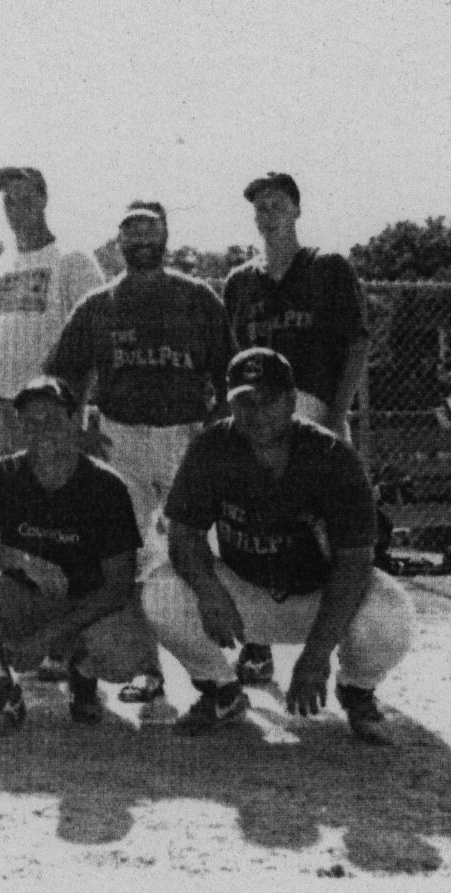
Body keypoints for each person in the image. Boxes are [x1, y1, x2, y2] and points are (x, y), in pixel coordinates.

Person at [141, 348, 413, 743]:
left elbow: (355, 563)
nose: (256, 414)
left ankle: (357, 691)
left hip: (320, 597)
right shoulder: (212, 447)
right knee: (161, 592)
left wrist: (317, 654)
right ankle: (221, 692)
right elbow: (183, 535)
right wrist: (209, 591)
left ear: (290, 401)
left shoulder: (332, 456)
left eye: (267, 401)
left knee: (391, 613)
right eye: (244, 403)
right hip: (243, 595)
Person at [46, 201, 232, 704]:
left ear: (167, 237)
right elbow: (60, 377)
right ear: (119, 242)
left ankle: (223, 658)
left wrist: (212, 434)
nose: (142, 242)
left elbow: (232, 376)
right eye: (132, 234)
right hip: (118, 437)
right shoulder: (99, 303)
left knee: (193, 553)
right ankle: (146, 668)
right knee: (120, 554)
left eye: (151, 233)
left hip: (183, 438)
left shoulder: (197, 299)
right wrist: (79, 429)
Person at [0, 376, 153, 737]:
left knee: (126, 652)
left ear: (75, 420)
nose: (42, 430)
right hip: (23, 602)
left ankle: (82, 676)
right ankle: (3, 688)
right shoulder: (2, 473)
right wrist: (21, 560)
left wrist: (46, 638)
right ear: (20, 427)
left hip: (83, 610)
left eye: (52, 418)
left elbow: (117, 586)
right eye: (31, 422)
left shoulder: (106, 486)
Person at [223, 172, 373, 685]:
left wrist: (335, 417)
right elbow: (233, 359)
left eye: (277, 203)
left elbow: (356, 344)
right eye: (260, 206)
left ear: (296, 210)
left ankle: (331, 648)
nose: (268, 213)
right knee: (256, 524)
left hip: (315, 411)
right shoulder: (240, 281)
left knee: (327, 532)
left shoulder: (327, 268)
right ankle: (258, 644)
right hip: (257, 418)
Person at [0, 166, 105, 459]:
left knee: (50, 500)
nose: (16, 208)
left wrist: (76, 413)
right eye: (9, 201)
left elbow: (93, 346)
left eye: (25, 199)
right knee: (1, 501)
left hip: (49, 414)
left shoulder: (72, 261)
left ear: (43, 199)